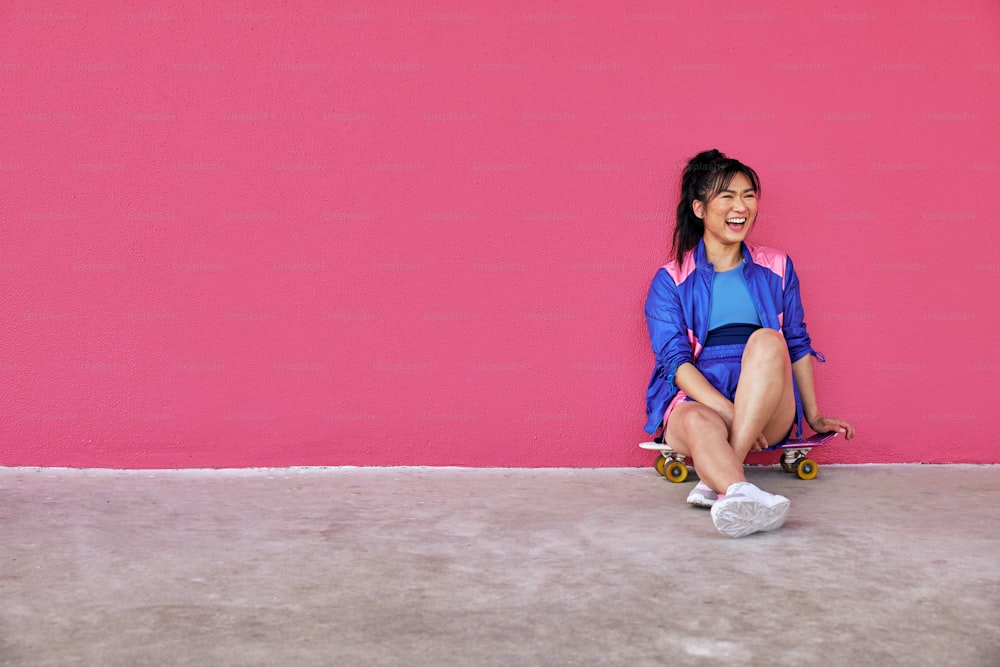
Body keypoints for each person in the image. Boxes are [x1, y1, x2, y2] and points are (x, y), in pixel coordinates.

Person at [643, 149, 855, 538]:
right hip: (700, 399)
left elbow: (795, 342)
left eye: (749, 195)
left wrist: (814, 415)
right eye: (727, 196)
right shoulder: (670, 279)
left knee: (767, 341)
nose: (741, 206)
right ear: (699, 208)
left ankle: (722, 484)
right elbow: (675, 363)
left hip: (766, 403)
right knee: (693, 419)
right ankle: (739, 492)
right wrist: (726, 410)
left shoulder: (777, 267)